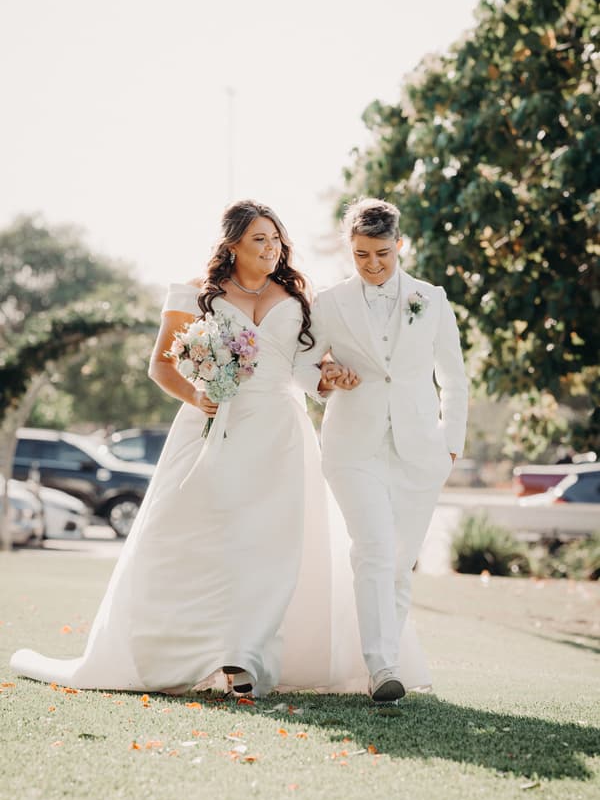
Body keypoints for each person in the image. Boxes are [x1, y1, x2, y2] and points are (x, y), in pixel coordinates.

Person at [8, 199, 431, 697]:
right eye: (259, 240)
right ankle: (195, 651)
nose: (272, 248)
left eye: (276, 239)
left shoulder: (297, 293)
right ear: (232, 244)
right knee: (210, 539)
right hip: (213, 426)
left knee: (273, 547)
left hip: (281, 433)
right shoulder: (195, 293)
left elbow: (304, 367)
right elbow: (161, 366)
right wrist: (199, 394)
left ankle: (246, 659)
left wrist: (329, 378)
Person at [295, 197, 468, 701]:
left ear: (400, 246)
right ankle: (383, 668)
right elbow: (301, 364)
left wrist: (450, 444)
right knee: (372, 549)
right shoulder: (330, 302)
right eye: (361, 255)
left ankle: (386, 656)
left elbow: (453, 376)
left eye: (381, 255)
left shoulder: (431, 299)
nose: (371, 265)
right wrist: (325, 379)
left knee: (399, 561)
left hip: (421, 449)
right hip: (353, 447)